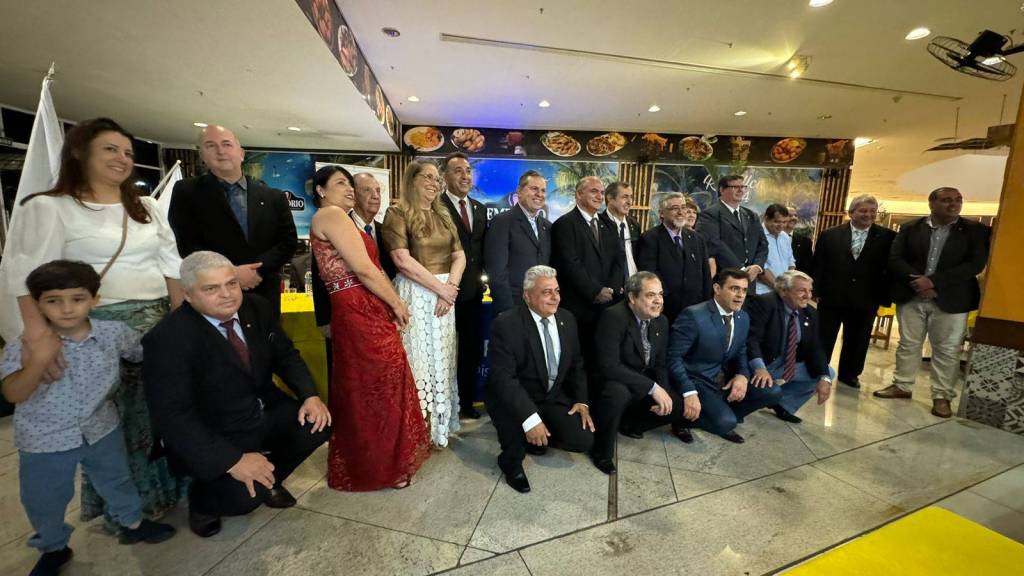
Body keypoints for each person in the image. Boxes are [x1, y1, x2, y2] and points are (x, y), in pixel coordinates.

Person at [0, 117, 187, 524]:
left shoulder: (147, 207)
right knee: (112, 421)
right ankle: (129, 507)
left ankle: (170, 490)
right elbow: (26, 275)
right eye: (110, 149)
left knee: (161, 411)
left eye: (128, 153)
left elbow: (171, 265)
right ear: (80, 152)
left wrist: (181, 324)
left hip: (156, 323)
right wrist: (37, 335)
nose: (122, 158)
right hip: (93, 328)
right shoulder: (51, 206)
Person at [1, 261, 176, 576]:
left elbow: (143, 353)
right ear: (38, 304)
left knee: (117, 478)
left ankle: (132, 523)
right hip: (44, 437)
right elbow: (14, 393)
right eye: (54, 300)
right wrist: (39, 361)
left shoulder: (113, 333)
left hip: (101, 427)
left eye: (77, 298)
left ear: (95, 299)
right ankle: (53, 547)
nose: (67, 309)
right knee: (44, 497)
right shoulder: (26, 344)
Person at [143, 251, 332, 537]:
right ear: (188, 295)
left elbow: (285, 355)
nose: (226, 294)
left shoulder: (256, 307)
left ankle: (268, 478)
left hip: (261, 408)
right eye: (211, 288)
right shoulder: (167, 339)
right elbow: (172, 417)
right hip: (216, 430)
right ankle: (203, 503)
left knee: (317, 424)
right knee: (245, 500)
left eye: (231, 283)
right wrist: (233, 460)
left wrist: (310, 396)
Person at [309, 166, 429, 491]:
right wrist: (397, 303)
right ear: (320, 190)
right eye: (340, 183)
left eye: (350, 184)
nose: (349, 189)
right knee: (378, 386)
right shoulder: (332, 215)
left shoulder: (338, 218)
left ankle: (384, 461)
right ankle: (382, 466)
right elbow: (364, 269)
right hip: (358, 309)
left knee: (370, 385)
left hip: (359, 307)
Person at [874, 187, 991, 418]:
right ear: (931, 203)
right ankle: (902, 385)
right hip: (912, 295)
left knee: (947, 349)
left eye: (958, 200)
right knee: (908, 344)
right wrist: (919, 282)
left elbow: (974, 265)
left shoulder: (975, 231)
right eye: (946, 200)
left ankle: (942, 396)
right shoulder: (910, 228)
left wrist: (933, 282)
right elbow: (895, 258)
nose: (954, 204)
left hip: (951, 299)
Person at [169, 124, 298, 318]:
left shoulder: (273, 196)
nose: (220, 151)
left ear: (241, 153)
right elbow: (187, 244)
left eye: (226, 144)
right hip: (213, 294)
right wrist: (232, 273)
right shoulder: (186, 192)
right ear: (202, 155)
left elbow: (287, 242)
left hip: (263, 291)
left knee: (266, 337)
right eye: (211, 145)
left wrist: (256, 271)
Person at [485, 266, 594, 493]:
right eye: (546, 292)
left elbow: (577, 365)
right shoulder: (506, 324)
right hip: (515, 399)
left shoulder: (567, 319)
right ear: (527, 296)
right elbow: (503, 379)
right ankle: (511, 461)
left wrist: (581, 400)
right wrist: (530, 419)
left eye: (557, 291)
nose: (555, 298)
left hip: (551, 396)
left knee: (583, 440)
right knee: (514, 450)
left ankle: (538, 437)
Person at [382, 160, 467, 447]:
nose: (434, 183)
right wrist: (441, 289)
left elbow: (459, 256)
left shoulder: (443, 214)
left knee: (443, 360)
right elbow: (401, 260)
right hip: (416, 293)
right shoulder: (397, 213)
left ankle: (438, 429)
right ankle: (417, 431)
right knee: (417, 361)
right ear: (411, 180)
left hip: (445, 297)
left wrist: (450, 288)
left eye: (436, 178)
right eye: (427, 177)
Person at [667, 269, 782, 443]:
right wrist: (689, 391)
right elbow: (673, 358)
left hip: (724, 379)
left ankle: (724, 418)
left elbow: (741, 350)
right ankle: (683, 421)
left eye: (744, 290)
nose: (740, 295)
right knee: (725, 422)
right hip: (697, 380)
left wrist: (742, 375)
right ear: (717, 289)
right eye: (734, 288)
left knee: (772, 392)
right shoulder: (693, 315)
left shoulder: (743, 317)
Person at [590, 272, 690, 474]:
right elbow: (609, 366)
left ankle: (630, 425)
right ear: (632, 297)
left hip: (640, 379)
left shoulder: (661, 321)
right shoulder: (614, 316)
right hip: (613, 379)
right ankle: (601, 452)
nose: (658, 301)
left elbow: (660, 365)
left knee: (677, 405)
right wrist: (653, 388)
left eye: (660, 294)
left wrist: (664, 393)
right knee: (618, 394)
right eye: (651, 295)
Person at [812, 195, 896, 388]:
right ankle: (819, 372)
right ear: (851, 213)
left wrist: (885, 296)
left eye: (872, 211)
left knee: (858, 340)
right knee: (824, 337)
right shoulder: (829, 235)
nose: (868, 215)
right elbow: (819, 265)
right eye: (863, 211)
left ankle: (850, 374)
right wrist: (815, 291)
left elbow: (890, 269)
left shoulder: (888, 237)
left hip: (866, 299)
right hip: (832, 296)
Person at [551, 176, 624, 390]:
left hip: (607, 307)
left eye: (601, 192)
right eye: (593, 191)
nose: (599, 196)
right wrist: (595, 291)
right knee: (578, 360)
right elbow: (570, 264)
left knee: (602, 359)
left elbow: (618, 260)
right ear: (578, 194)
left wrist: (610, 289)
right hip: (578, 307)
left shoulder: (608, 225)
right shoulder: (564, 224)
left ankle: (598, 399)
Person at [746, 270, 834, 423]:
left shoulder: (810, 312)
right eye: (801, 290)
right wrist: (760, 368)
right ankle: (757, 394)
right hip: (760, 363)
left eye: (810, 291)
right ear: (783, 291)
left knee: (827, 373)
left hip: (784, 364)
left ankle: (782, 404)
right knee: (767, 391)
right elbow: (751, 339)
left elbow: (815, 347)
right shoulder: (765, 303)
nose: (807, 296)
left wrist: (824, 378)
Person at [439, 153, 488, 419]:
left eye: (468, 170)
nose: (465, 175)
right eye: (458, 170)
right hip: (443, 292)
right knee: (443, 352)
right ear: (445, 176)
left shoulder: (479, 208)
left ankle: (465, 403)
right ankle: (442, 406)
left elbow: (482, 250)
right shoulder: (436, 206)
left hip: (473, 294)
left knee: (470, 350)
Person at [636, 193, 712, 322]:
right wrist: (659, 299)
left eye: (683, 207)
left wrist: (708, 304)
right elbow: (649, 273)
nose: (681, 212)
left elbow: (706, 274)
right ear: (662, 213)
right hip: (666, 307)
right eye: (675, 208)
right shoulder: (650, 238)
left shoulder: (697, 239)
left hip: (696, 307)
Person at [484, 170, 552, 313]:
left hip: (542, 306)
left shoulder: (547, 226)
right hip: (514, 305)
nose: (539, 194)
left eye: (543, 190)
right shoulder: (502, 222)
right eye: (534, 189)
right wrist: (508, 311)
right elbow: (496, 273)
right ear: (519, 191)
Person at [696, 174, 768, 285]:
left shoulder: (751, 215)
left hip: (750, 280)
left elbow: (763, 244)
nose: (741, 190)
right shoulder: (709, 214)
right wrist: (741, 270)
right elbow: (714, 244)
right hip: (725, 280)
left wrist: (757, 266)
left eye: (743, 187)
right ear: (722, 190)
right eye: (735, 187)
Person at [599, 181, 641, 287]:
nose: (629, 202)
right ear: (610, 198)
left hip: (635, 285)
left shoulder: (634, 224)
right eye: (625, 197)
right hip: (610, 288)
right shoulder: (599, 224)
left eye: (631, 197)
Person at [756, 204, 795, 295]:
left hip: (783, 291)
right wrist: (779, 289)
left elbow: (791, 262)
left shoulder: (785, 236)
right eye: (777, 222)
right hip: (762, 292)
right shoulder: (756, 235)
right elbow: (760, 268)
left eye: (784, 222)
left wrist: (787, 286)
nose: (781, 226)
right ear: (766, 219)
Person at [786, 208, 814, 274]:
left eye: (796, 215)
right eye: (790, 215)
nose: (794, 218)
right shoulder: (770, 238)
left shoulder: (805, 242)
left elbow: (806, 268)